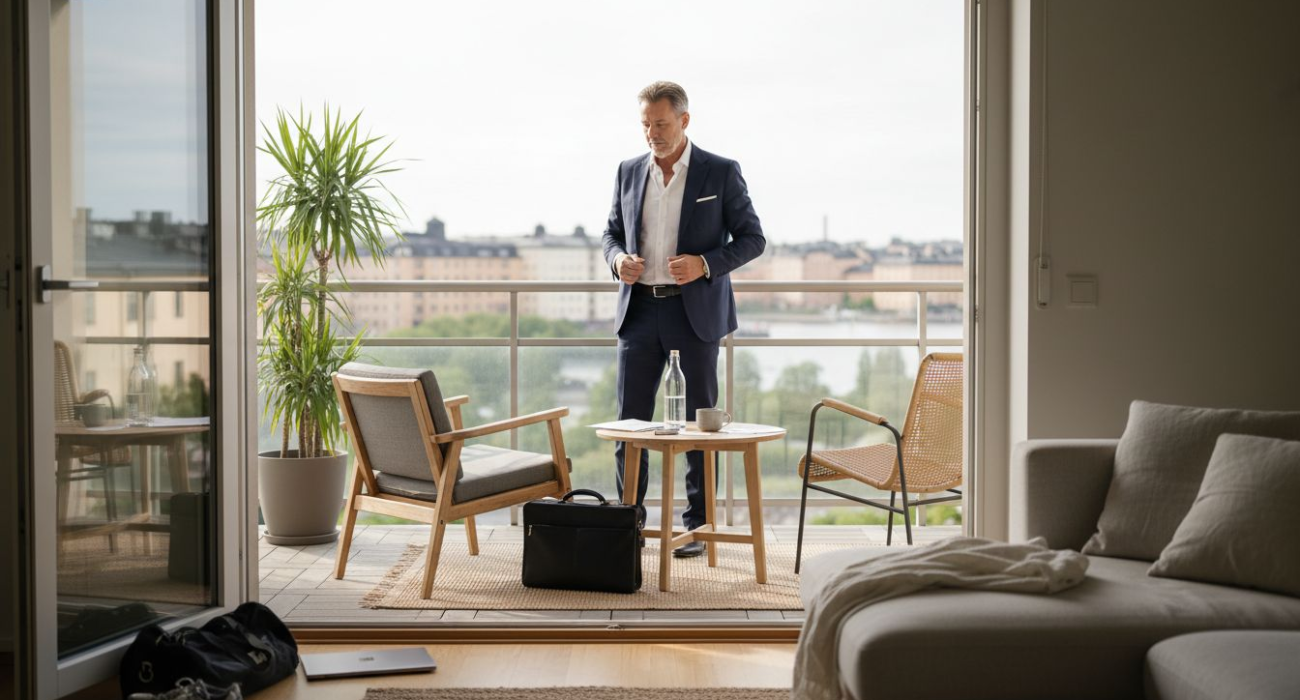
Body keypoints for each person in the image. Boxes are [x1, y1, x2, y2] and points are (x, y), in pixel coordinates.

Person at [602, 81, 766, 558]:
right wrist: (617, 262)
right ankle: (627, 528)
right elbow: (611, 233)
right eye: (646, 124)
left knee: (698, 428)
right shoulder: (628, 171)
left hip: (693, 313)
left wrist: (705, 263)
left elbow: (753, 238)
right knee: (629, 427)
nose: (653, 133)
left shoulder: (720, 171)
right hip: (638, 312)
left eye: (662, 123)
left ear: (685, 121)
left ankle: (697, 528)